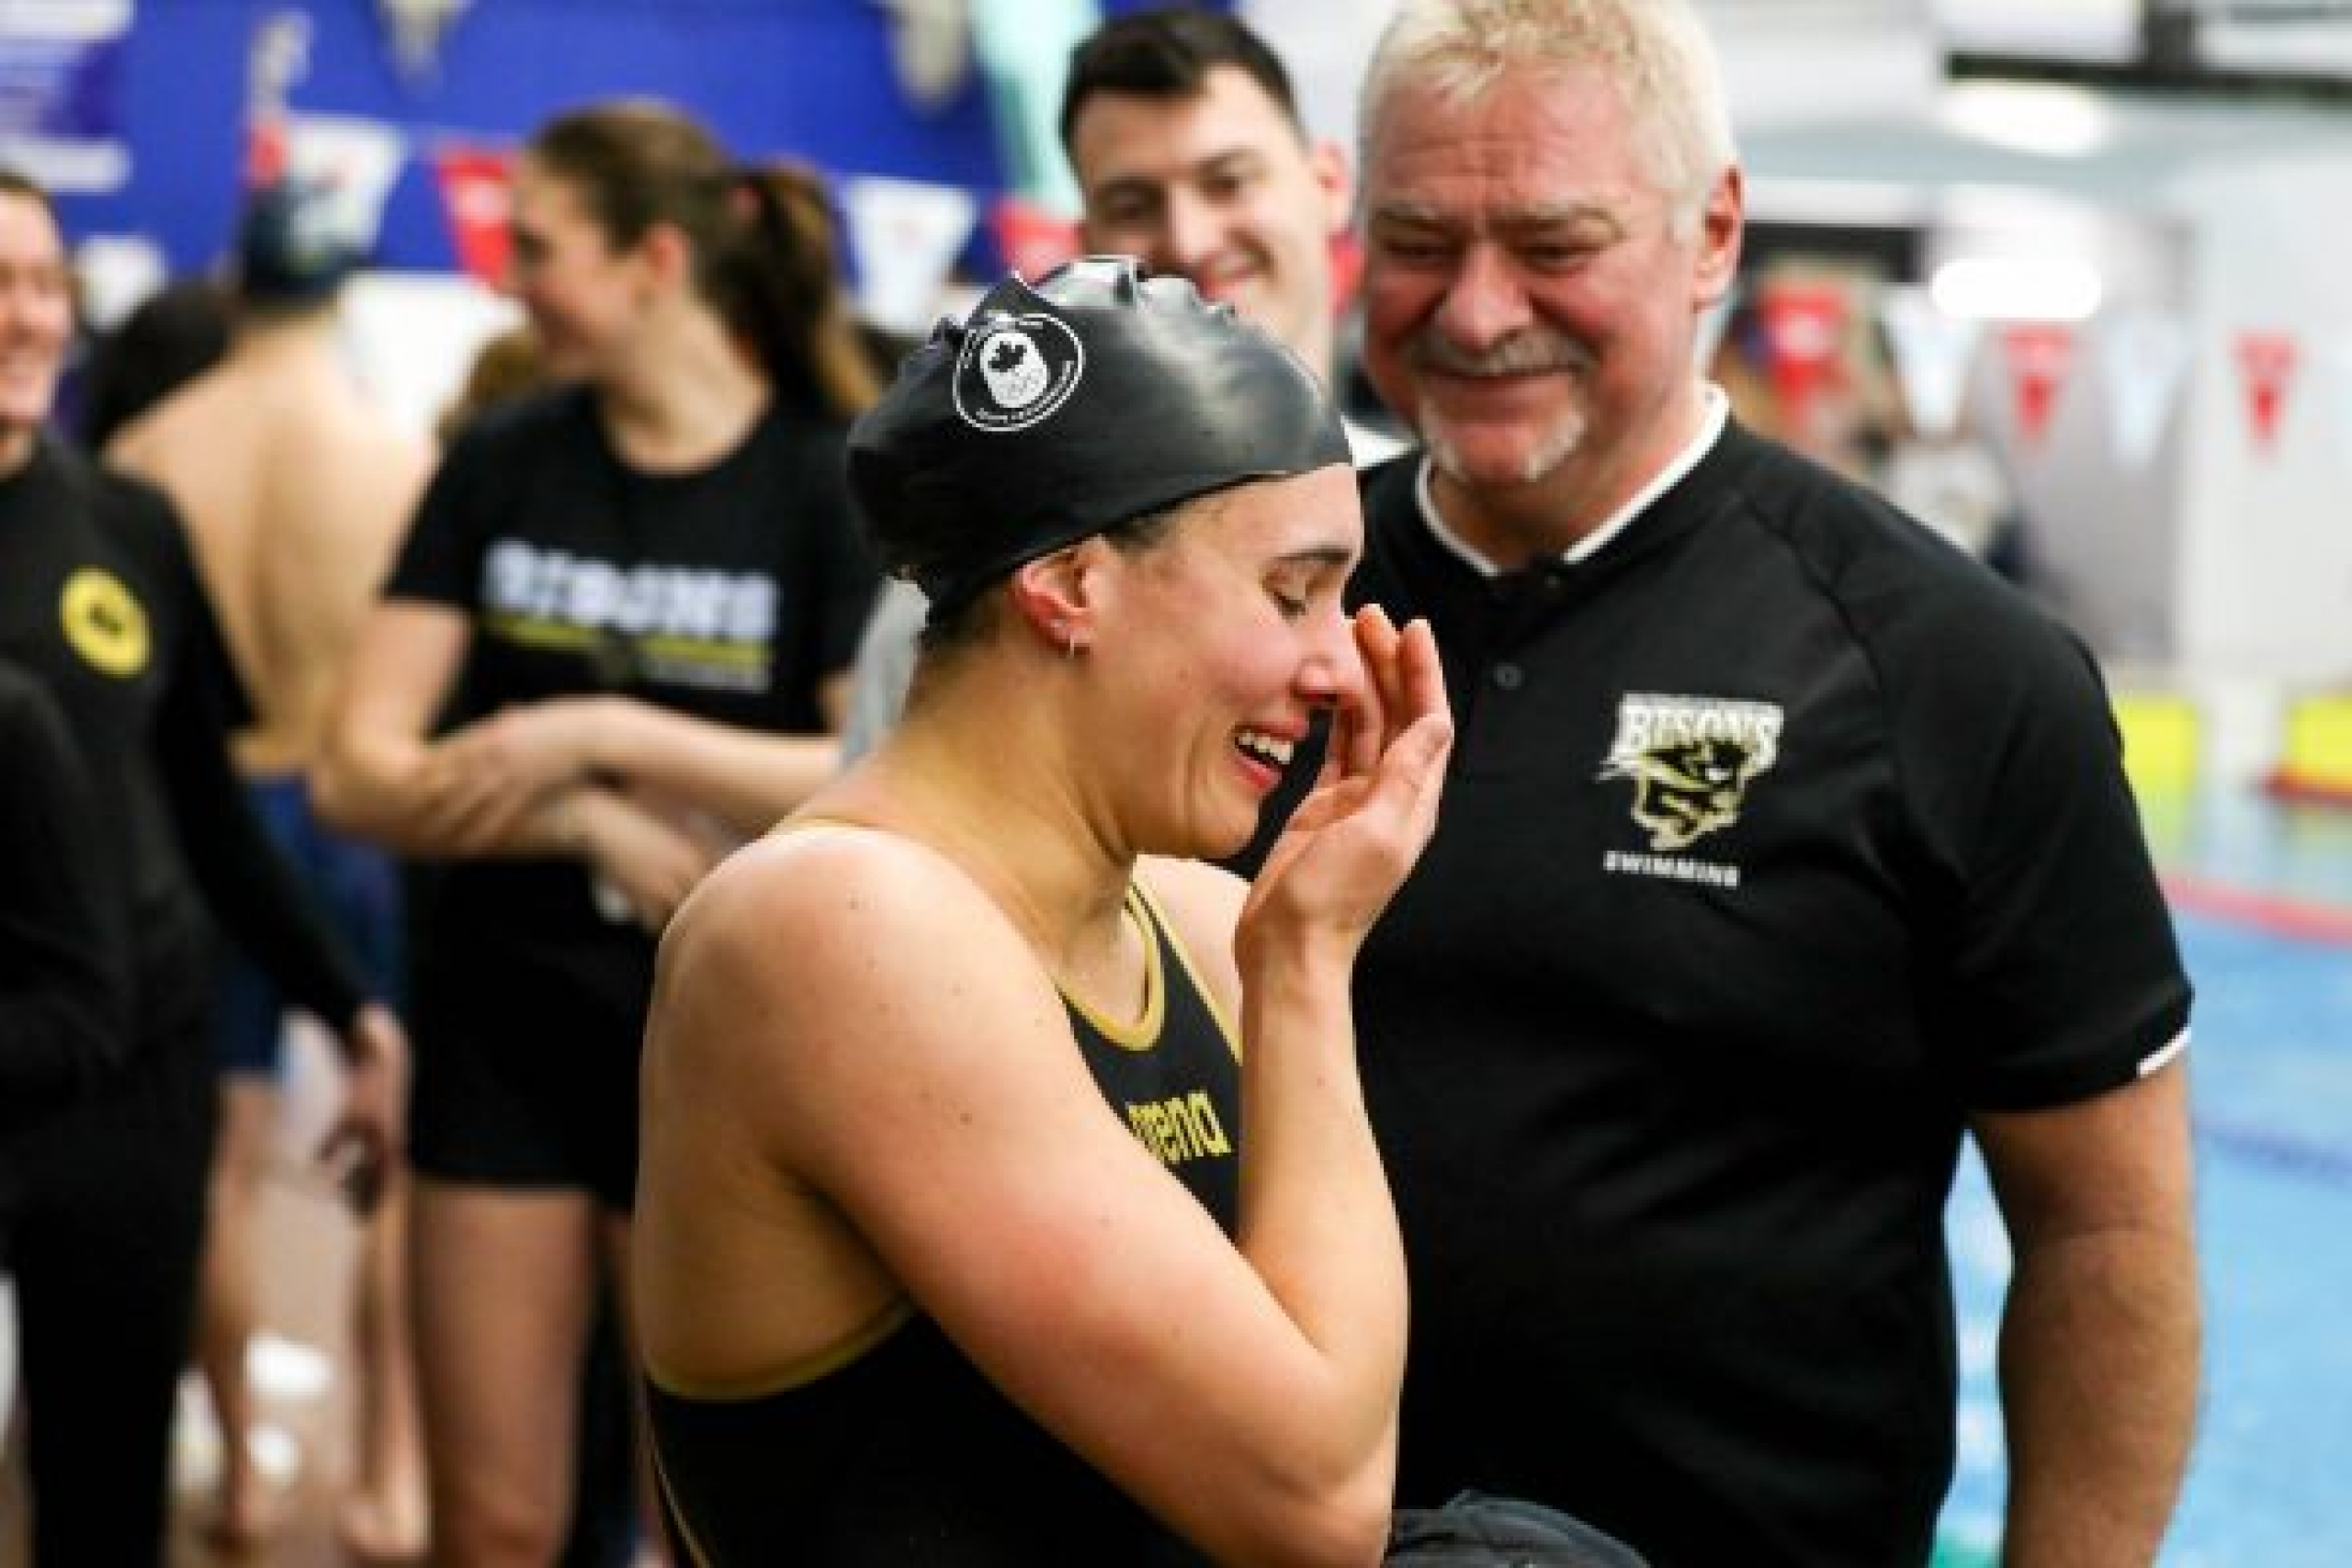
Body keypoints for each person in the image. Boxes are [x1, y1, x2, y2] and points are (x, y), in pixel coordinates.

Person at [1315, 4, 2200, 1563]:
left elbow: (2108, 1230)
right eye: (1415, 240)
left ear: (1711, 230)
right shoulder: (1262, 610)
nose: (1473, 310)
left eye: (1552, 240)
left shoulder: (1950, 667)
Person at [632, 254, 1451, 1565]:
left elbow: (1334, 1394)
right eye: (1290, 592)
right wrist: (1305, 964)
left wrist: (1288, 952)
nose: (1328, 664)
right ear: (1070, 584)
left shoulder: (1187, 917)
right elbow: (1316, 1501)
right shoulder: (843, 926)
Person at [316, 99, 880, 1565]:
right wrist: (580, 821)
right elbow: (355, 772)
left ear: (654, 260)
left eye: (539, 246)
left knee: (699, 1523)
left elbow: (862, 769)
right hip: (500, 1030)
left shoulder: (820, 478)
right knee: (494, 1520)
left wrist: (597, 733)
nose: (507, 278)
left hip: (716, 1043)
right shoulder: (503, 461)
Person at [0, 167, 406, 1568]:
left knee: (105, 1481)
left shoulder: (129, 520)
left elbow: (210, 809)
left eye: (44, 284)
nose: (25, 318)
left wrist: (348, 1004)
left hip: (132, 1070)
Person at [838, 5, 1397, 762]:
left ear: (1329, 184)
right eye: (1133, 204)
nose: (1190, 240)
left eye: (1229, 181)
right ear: (1083, 242)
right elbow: (892, 843)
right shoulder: (987, 563)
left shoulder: (1430, 514)